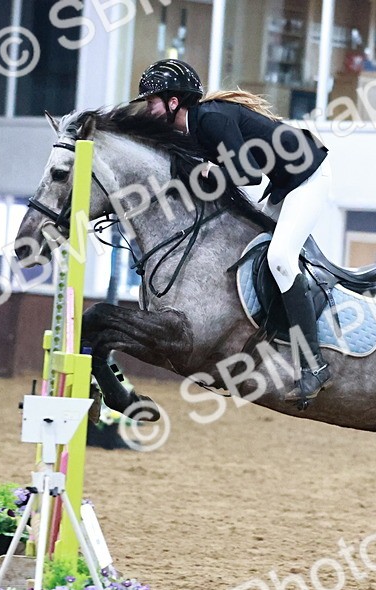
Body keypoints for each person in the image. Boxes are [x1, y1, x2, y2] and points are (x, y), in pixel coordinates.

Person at [134, 58, 333, 406]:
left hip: (309, 176)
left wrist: (208, 173)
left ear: (173, 102)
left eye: (151, 102)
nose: (147, 110)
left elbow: (249, 174)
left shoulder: (210, 120)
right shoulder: (193, 128)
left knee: (282, 259)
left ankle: (314, 365)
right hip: (284, 182)